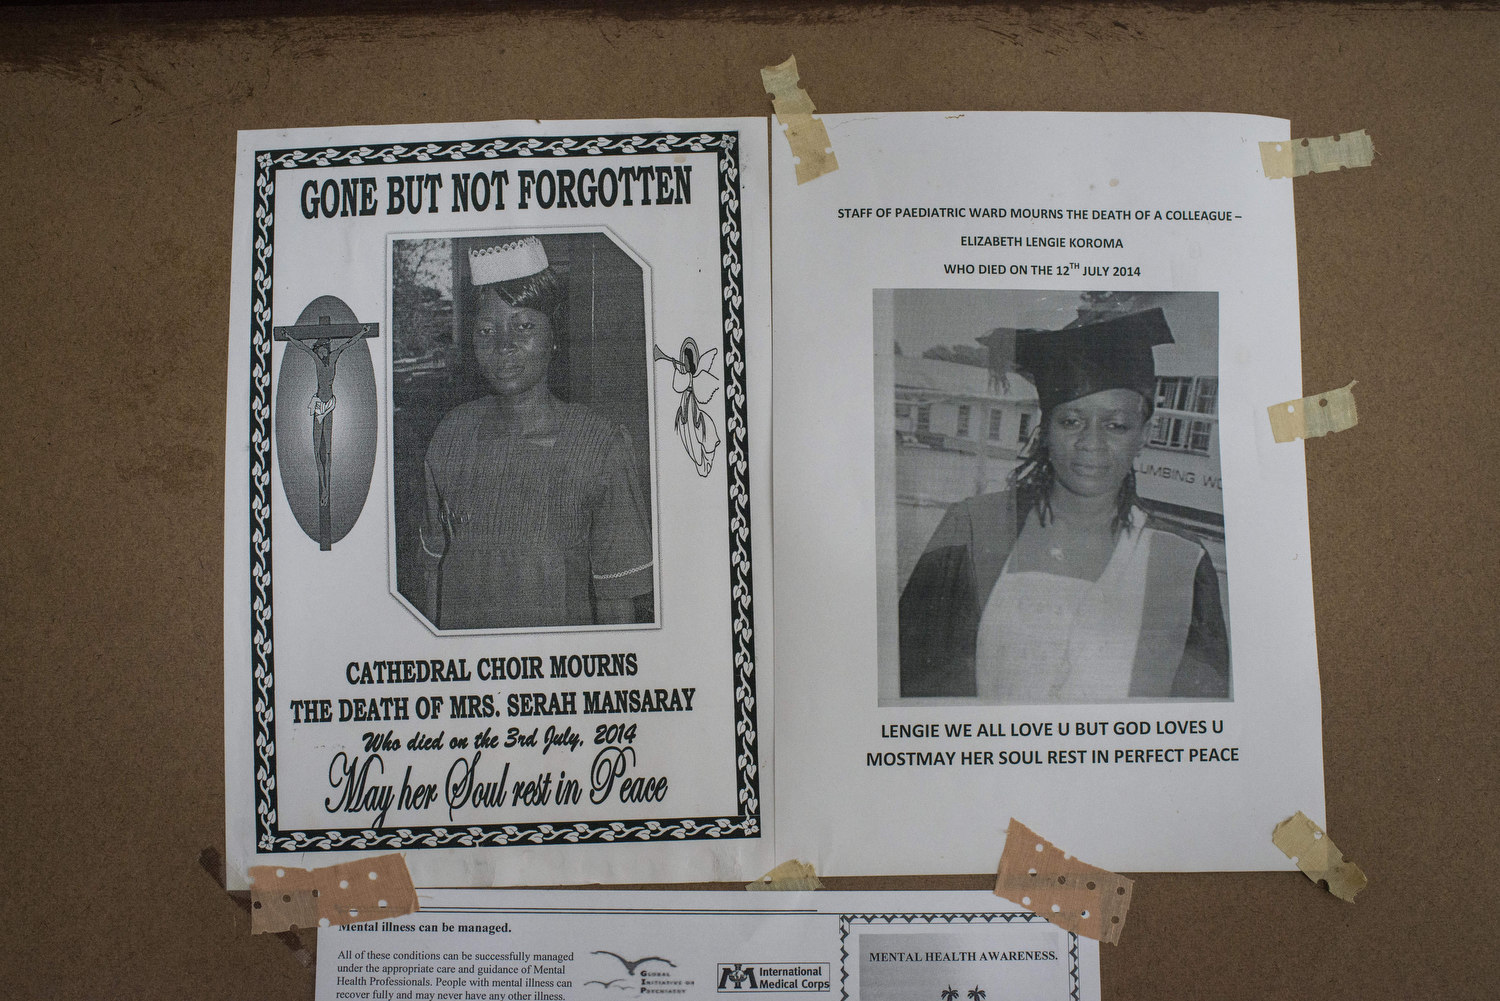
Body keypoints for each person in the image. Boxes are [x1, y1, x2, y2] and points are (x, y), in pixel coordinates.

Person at [898, 307, 1229, 701]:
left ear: (1144, 435)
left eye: (1116, 425)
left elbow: (1199, 711)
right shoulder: (973, 529)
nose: (1092, 442)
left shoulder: (1182, 560)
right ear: (1045, 432)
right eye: (1071, 421)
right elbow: (918, 684)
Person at [419, 236, 654, 629]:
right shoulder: (450, 437)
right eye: (487, 331)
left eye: (524, 326)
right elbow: (433, 574)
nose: (504, 346)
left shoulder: (599, 446)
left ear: (555, 336)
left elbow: (618, 605)